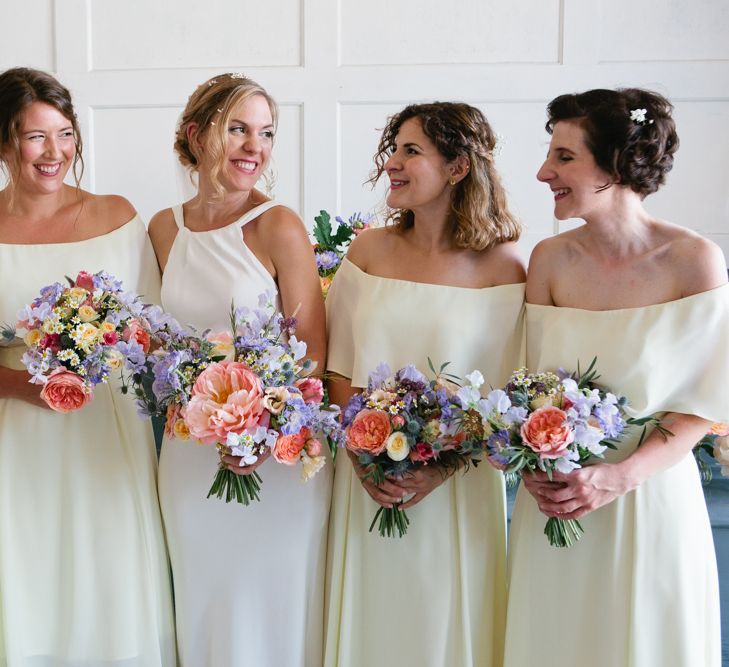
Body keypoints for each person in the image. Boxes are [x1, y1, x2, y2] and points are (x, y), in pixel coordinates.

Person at [504, 88, 728, 666]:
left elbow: (704, 402)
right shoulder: (549, 260)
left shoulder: (694, 260)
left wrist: (621, 477)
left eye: (564, 158)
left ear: (616, 164)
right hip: (558, 505)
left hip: (649, 497)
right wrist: (535, 463)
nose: (543, 171)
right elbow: (528, 387)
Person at [324, 102, 525, 667]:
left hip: (456, 483)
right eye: (395, 149)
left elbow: (508, 392)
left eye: (411, 151)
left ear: (458, 167)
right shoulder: (368, 252)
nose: (393, 162)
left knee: (444, 618)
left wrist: (442, 466)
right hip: (365, 476)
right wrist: (364, 455)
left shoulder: (507, 268)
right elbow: (339, 365)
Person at [148, 73, 330, 666]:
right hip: (187, 455)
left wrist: (259, 433)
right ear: (197, 135)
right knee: (203, 599)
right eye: (238, 129)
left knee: (275, 603)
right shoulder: (163, 227)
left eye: (267, 133)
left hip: (271, 458)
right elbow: (156, 341)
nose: (255, 146)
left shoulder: (278, 225)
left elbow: (312, 354)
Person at [0, 67, 175, 666]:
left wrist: (103, 347)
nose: (56, 153)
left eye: (66, 134)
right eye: (35, 137)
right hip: (14, 434)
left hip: (108, 427)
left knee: (108, 568)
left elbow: (153, 328)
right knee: (26, 572)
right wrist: (22, 384)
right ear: (4, 144)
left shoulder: (118, 216)